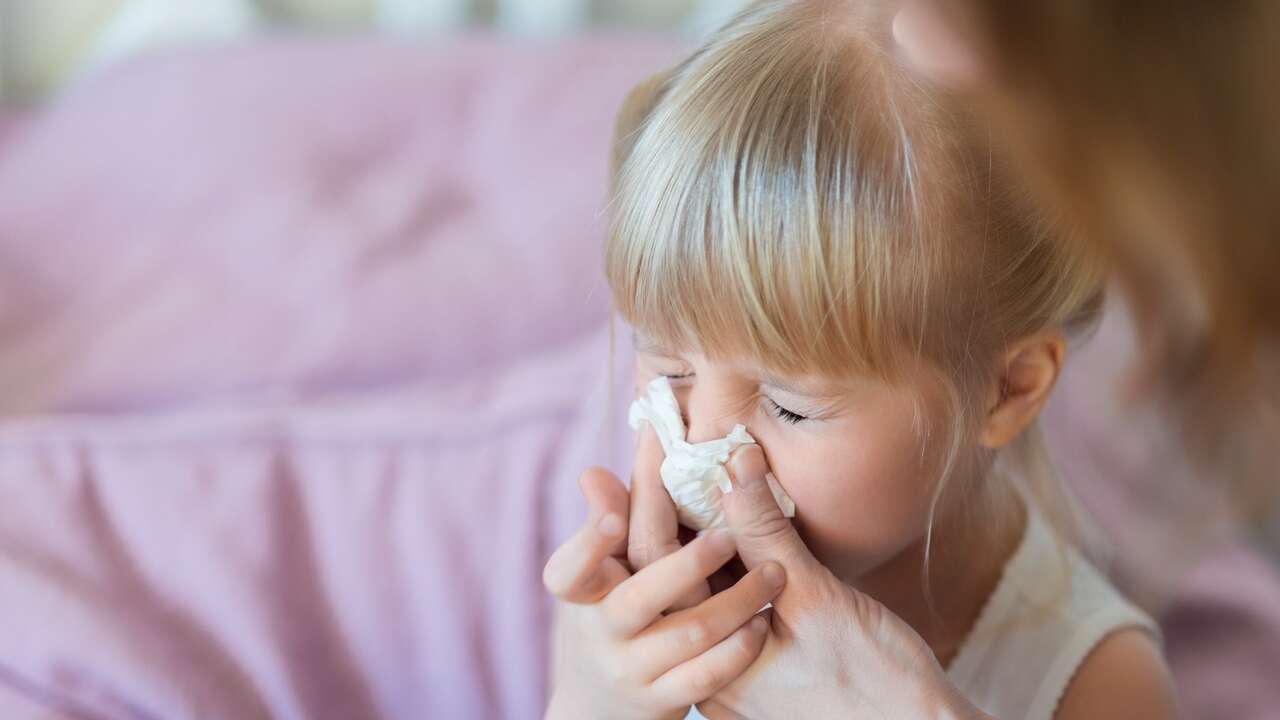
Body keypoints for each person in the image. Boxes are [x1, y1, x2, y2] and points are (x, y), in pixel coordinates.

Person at [542, 2, 1177, 718]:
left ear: (1005, 389)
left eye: (790, 404)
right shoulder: (635, 606)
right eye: (670, 370)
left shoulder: (1100, 684)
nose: (701, 441)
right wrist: (593, 701)